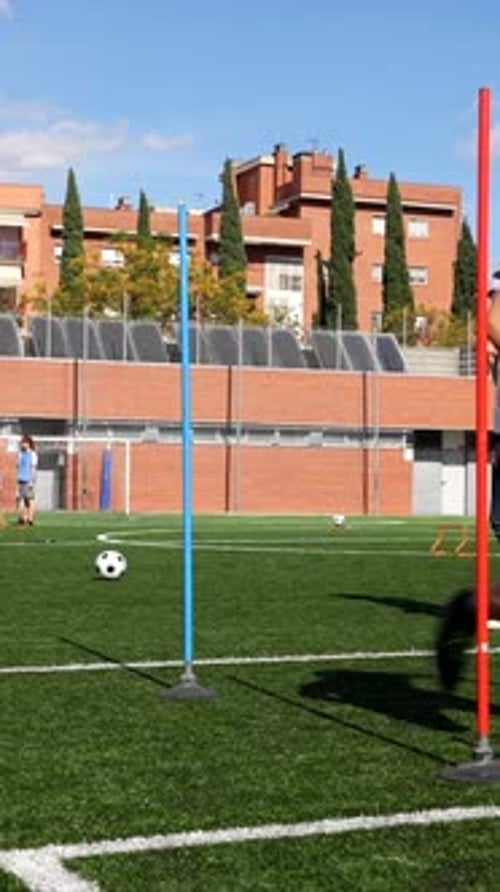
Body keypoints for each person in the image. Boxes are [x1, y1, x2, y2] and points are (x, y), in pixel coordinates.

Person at [16, 434, 38, 526]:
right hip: (21, 479)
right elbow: (18, 466)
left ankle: (30, 519)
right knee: (22, 500)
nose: (23, 444)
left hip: (28, 480)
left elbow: (33, 468)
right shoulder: (21, 454)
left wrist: (31, 481)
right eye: (22, 443)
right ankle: (24, 518)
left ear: (29, 444)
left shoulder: (32, 454)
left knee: (30, 500)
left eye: (25, 442)